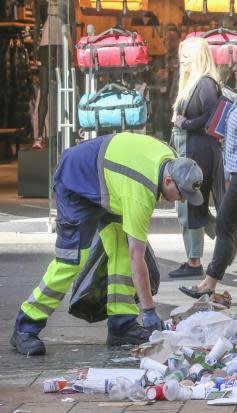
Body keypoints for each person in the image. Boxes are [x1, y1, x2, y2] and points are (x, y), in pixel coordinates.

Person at [11, 132, 204, 356]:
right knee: (70, 262)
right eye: (182, 194)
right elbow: (137, 257)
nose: (182, 200)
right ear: (168, 181)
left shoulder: (171, 160)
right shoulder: (141, 192)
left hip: (111, 186)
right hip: (76, 183)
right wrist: (149, 310)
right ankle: (25, 327)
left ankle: (122, 325)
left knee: (121, 250)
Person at [178, 45, 237, 304]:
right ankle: (211, 280)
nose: (235, 68)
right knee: (226, 225)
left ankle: (209, 282)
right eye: (235, 64)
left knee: (224, 225)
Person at [168, 37, 227, 279]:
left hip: (197, 152)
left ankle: (196, 260)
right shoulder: (196, 83)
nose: (181, 59)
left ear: (198, 57)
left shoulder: (203, 84)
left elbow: (211, 118)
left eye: (187, 55)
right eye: (181, 54)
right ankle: (225, 237)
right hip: (191, 150)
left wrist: (186, 123)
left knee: (190, 206)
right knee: (192, 207)